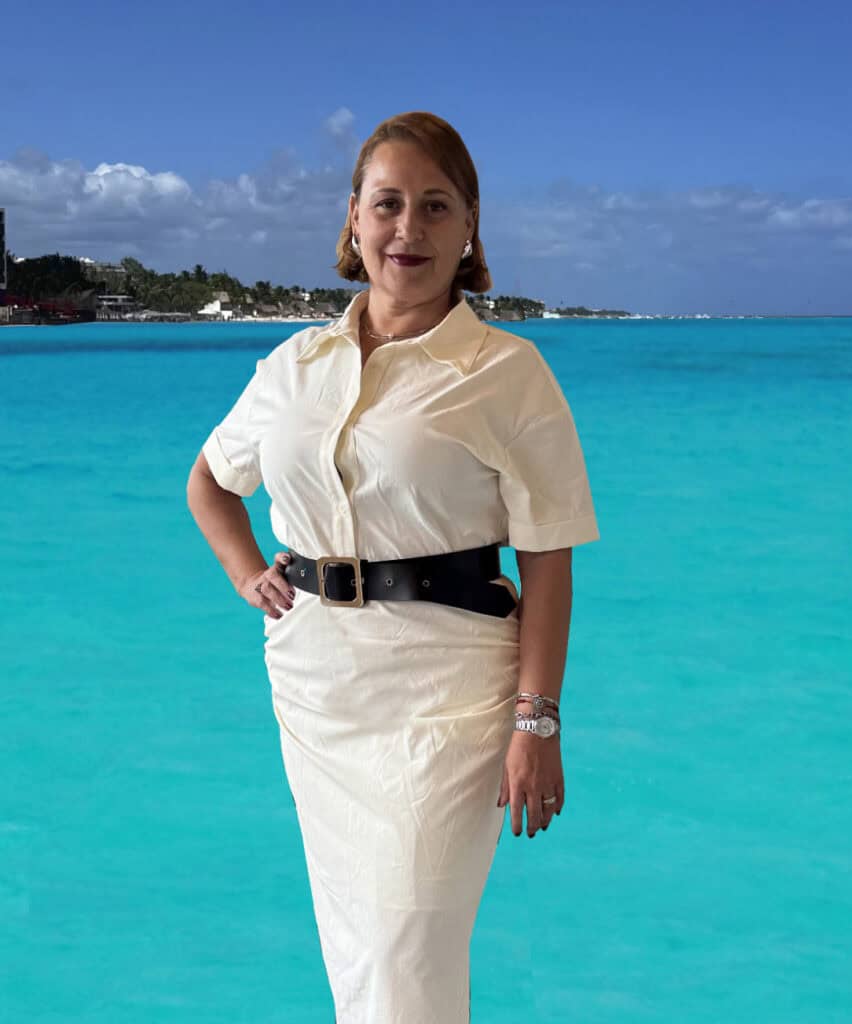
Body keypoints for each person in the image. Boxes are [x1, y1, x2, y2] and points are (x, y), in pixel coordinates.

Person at [186, 110, 599, 1023]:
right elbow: (210, 482)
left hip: (449, 699)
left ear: (469, 226)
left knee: (406, 943)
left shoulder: (507, 372)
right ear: (354, 218)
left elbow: (547, 560)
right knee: (360, 952)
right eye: (387, 204)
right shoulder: (295, 363)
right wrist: (247, 572)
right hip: (315, 690)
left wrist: (536, 721)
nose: (407, 228)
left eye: (434, 205)